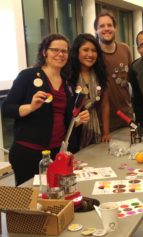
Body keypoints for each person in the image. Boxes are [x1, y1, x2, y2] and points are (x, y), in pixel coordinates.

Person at [1, 34, 90, 186]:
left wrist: (77, 120)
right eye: (55, 50)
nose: (60, 54)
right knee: (31, 200)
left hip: (57, 152)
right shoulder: (27, 76)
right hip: (29, 152)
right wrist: (30, 107)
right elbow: (6, 109)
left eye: (64, 51)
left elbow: (62, 117)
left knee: (55, 196)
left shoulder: (67, 81)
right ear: (44, 52)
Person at [94, 11, 133, 131]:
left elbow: (130, 79)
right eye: (101, 26)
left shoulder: (125, 49)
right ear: (96, 30)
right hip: (102, 123)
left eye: (109, 25)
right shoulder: (93, 55)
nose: (106, 29)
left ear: (115, 28)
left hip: (126, 117)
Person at [70, 33, 110, 148]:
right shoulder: (68, 74)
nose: (90, 54)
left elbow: (105, 104)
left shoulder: (100, 73)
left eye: (94, 50)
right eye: (85, 50)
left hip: (95, 127)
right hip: (74, 128)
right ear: (77, 52)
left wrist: (106, 133)